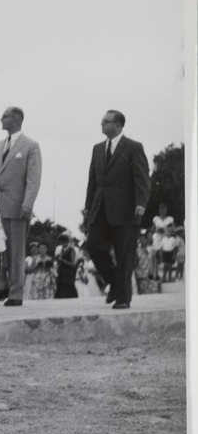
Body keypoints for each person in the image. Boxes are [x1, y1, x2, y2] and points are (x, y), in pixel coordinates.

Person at [83, 110, 150, 310]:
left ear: (118, 125)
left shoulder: (133, 147)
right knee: (94, 245)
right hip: (100, 208)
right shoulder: (97, 149)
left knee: (124, 254)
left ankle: (123, 298)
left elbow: (142, 178)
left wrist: (141, 203)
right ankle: (114, 281)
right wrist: (88, 207)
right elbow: (93, 181)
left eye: (106, 121)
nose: (101, 124)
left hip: (127, 210)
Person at [0, 107, 42, 307]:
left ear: (16, 119)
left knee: (16, 252)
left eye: (5, 116)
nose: (1, 119)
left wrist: (28, 204)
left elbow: (33, 179)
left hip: (18, 207)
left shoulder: (30, 146)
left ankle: (16, 292)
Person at [54, 233, 78, 298]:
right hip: (62, 273)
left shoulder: (71, 250)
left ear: (65, 242)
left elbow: (73, 264)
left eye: (61, 242)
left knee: (68, 289)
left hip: (68, 273)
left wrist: (62, 260)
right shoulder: (61, 250)